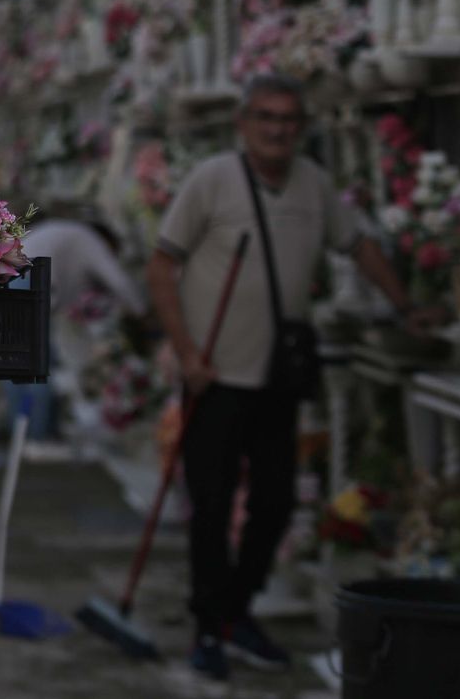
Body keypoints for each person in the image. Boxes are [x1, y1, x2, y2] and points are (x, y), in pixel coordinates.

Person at [147, 73, 441, 682]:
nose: (279, 130)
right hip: (214, 374)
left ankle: (235, 611)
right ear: (244, 124)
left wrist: (405, 305)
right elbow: (161, 264)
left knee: (276, 503)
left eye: (289, 120)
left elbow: (358, 245)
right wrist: (187, 352)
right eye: (267, 118)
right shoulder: (212, 181)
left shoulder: (314, 184)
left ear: (301, 128)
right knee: (210, 503)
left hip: (277, 372)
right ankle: (209, 625)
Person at [15, 213, 148, 447]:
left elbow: (73, 290)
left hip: (14, 278)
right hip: (28, 283)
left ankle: (27, 432)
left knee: (19, 366)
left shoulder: (68, 235)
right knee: (38, 366)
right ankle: (40, 435)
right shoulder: (88, 240)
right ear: (107, 241)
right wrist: (142, 311)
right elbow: (117, 280)